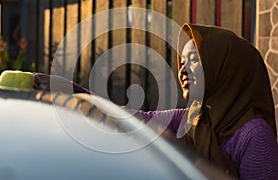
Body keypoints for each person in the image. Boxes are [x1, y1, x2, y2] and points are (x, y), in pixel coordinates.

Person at [33, 23, 278, 179]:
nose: (182, 70)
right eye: (181, 62)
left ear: (225, 67)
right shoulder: (194, 117)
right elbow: (132, 118)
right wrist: (68, 90)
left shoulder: (254, 135)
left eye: (193, 60)